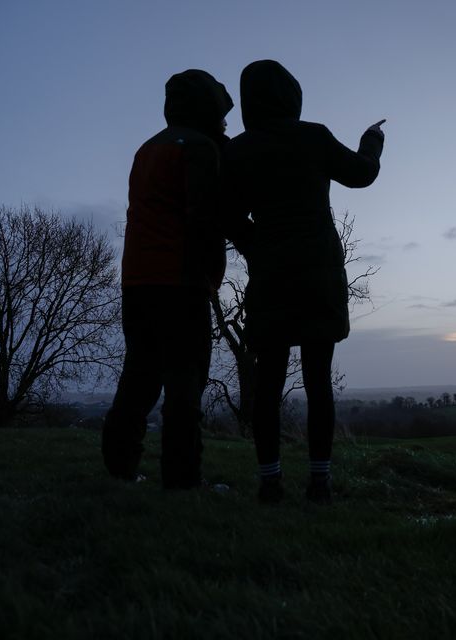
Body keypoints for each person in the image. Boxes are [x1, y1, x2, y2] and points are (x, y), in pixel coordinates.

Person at [221, 60, 384, 504]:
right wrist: (372, 139)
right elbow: (362, 174)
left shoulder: (239, 150)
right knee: (318, 381)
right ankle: (319, 483)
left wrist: (255, 244)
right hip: (319, 274)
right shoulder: (313, 136)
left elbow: (225, 212)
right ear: (292, 96)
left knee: (268, 384)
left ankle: (270, 483)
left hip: (271, 276)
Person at [102, 69, 233, 489]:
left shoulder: (147, 148)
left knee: (139, 374)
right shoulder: (199, 148)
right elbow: (204, 217)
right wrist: (210, 273)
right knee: (184, 380)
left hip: (136, 280)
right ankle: (182, 478)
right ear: (207, 109)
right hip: (181, 280)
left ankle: (120, 467)